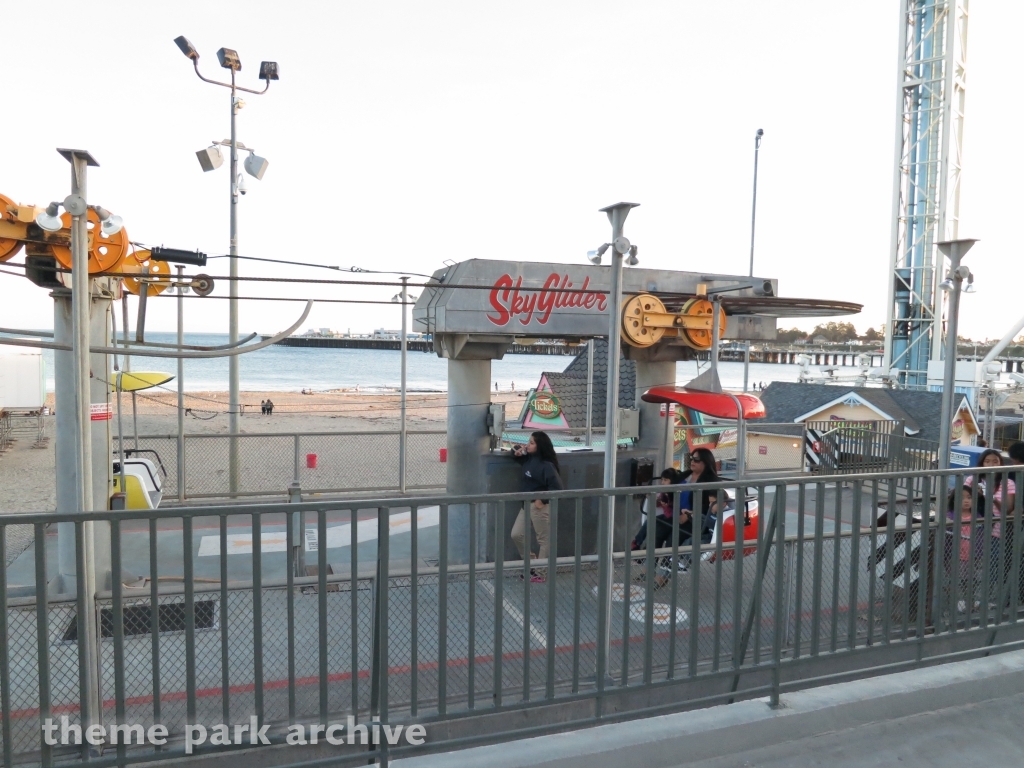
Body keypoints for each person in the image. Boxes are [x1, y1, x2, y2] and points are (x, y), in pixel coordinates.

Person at [510, 432, 563, 582]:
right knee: (516, 534)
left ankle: (541, 572)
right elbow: (513, 454)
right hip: (525, 504)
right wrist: (516, 449)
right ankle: (533, 564)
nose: (528, 444)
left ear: (540, 447)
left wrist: (542, 500)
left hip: (539, 506)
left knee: (544, 540)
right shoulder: (529, 459)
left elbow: (557, 488)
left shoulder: (547, 466)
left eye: (531, 443)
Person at [630, 467, 685, 552]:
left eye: (666, 480)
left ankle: (639, 546)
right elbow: (658, 504)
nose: (663, 483)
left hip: (674, 518)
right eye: (662, 480)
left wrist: (667, 505)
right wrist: (653, 499)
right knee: (650, 520)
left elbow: (674, 509)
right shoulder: (664, 492)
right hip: (667, 516)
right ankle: (637, 543)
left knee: (655, 527)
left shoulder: (677, 492)